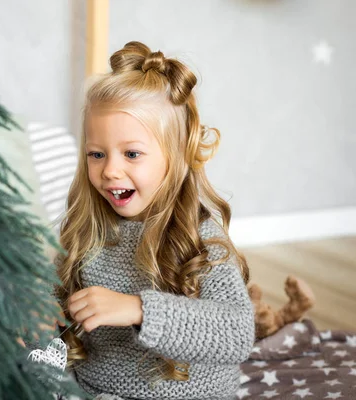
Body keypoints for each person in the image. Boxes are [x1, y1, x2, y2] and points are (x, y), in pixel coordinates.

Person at [52, 41, 255, 400]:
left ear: (175, 156)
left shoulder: (199, 238)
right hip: (94, 389)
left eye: (132, 154)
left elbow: (236, 335)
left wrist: (139, 309)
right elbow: (58, 298)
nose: (110, 170)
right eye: (96, 154)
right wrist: (43, 313)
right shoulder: (87, 230)